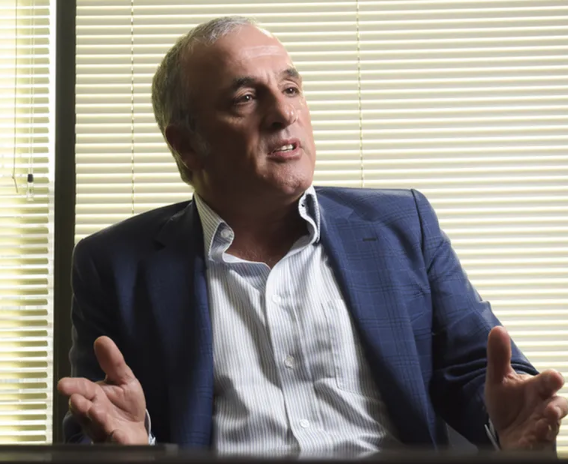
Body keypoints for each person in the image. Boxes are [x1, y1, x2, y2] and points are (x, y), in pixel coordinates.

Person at [58, 16, 567, 456]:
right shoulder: (114, 264)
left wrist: (505, 418)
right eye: (246, 98)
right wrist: (133, 447)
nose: (284, 114)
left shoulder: (401, 225)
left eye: (291, 89)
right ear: (186, 144)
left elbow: (483, 370)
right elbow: (96, 420)